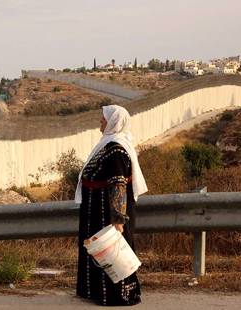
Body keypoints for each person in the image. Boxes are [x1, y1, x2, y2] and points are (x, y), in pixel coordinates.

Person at [75, 104, 148, 306]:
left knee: (112, 253)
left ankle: (117, 295)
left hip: (106, 213)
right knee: (99, 251)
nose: (100, 121)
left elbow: (118, 185)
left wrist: (117, 219)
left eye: (104, 119)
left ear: (113, 122)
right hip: (95, 210)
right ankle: (94, 291)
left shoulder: (116, 150)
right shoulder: (107, 145)